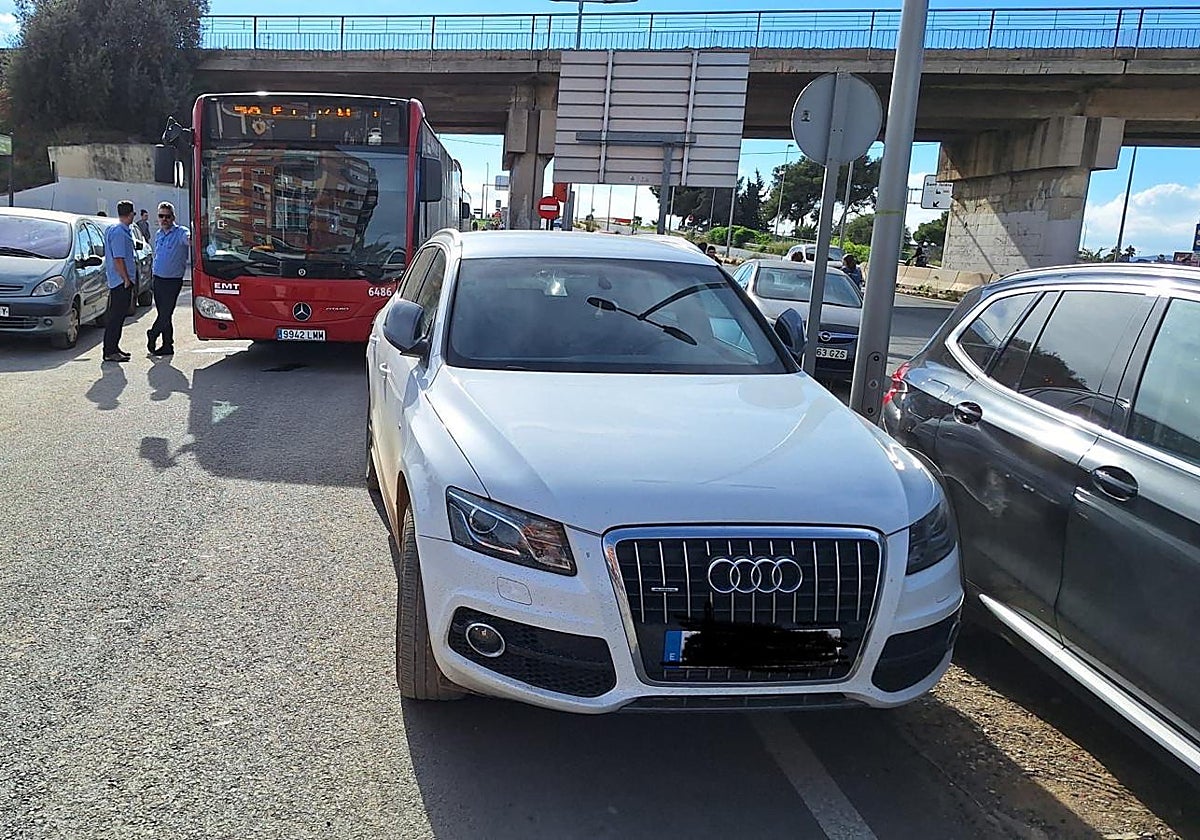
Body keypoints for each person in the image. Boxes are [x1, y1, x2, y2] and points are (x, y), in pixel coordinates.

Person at [148, 201, 189, 357]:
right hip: (158, 279)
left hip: (173, 280)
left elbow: (189, 239)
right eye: (161, 216)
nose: (164, 219)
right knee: (164, 313)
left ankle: (153, 333)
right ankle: (167, 345)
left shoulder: (181, 233)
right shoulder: (159, 234)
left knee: (166, 312)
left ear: (173, 217)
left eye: (167, 216)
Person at [102, 201, 138, 363]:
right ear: (130, 214)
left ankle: (114, 348)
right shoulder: (119, 233)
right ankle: (110, 351)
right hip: (120, 281)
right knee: (116, 317)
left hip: (119, 279)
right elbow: (118, 259)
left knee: (118, 316)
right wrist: (125, 279)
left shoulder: (116, 229)